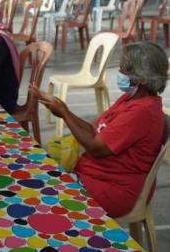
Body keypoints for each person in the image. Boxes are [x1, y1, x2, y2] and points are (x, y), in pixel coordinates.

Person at [32, 41, 168, 217]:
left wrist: (65, 113)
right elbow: (94, 130)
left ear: (141, 78)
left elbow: (96, 148)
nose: (119, 72)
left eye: (124, 69)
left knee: (41, 192)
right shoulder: (130, 100)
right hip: (97, 175)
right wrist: (62, 108)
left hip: (115, 189)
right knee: (36, 172)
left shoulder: (141, 112)